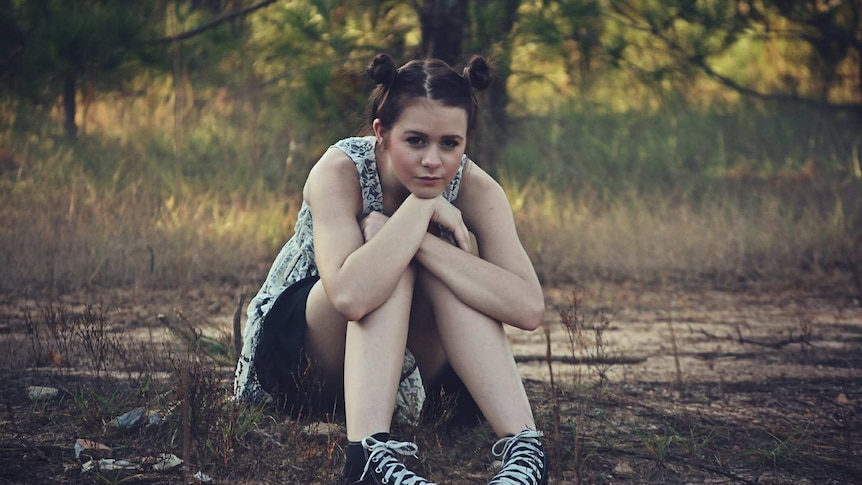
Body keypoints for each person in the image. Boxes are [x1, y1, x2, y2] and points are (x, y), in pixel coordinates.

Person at [234, 52, 548, 485]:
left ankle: (525, 453)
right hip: (306, 356)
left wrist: (417, 239)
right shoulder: (340, 170)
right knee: (386, 268)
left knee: (445, 271)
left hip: (416, 366)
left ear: (466, 140)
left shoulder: (476, 187)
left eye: (449, 144)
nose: (433, 161)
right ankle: (367, 459)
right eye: (415, 140)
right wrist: (415, 217)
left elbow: (528, 308)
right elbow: (348, 296)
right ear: (382, 133)